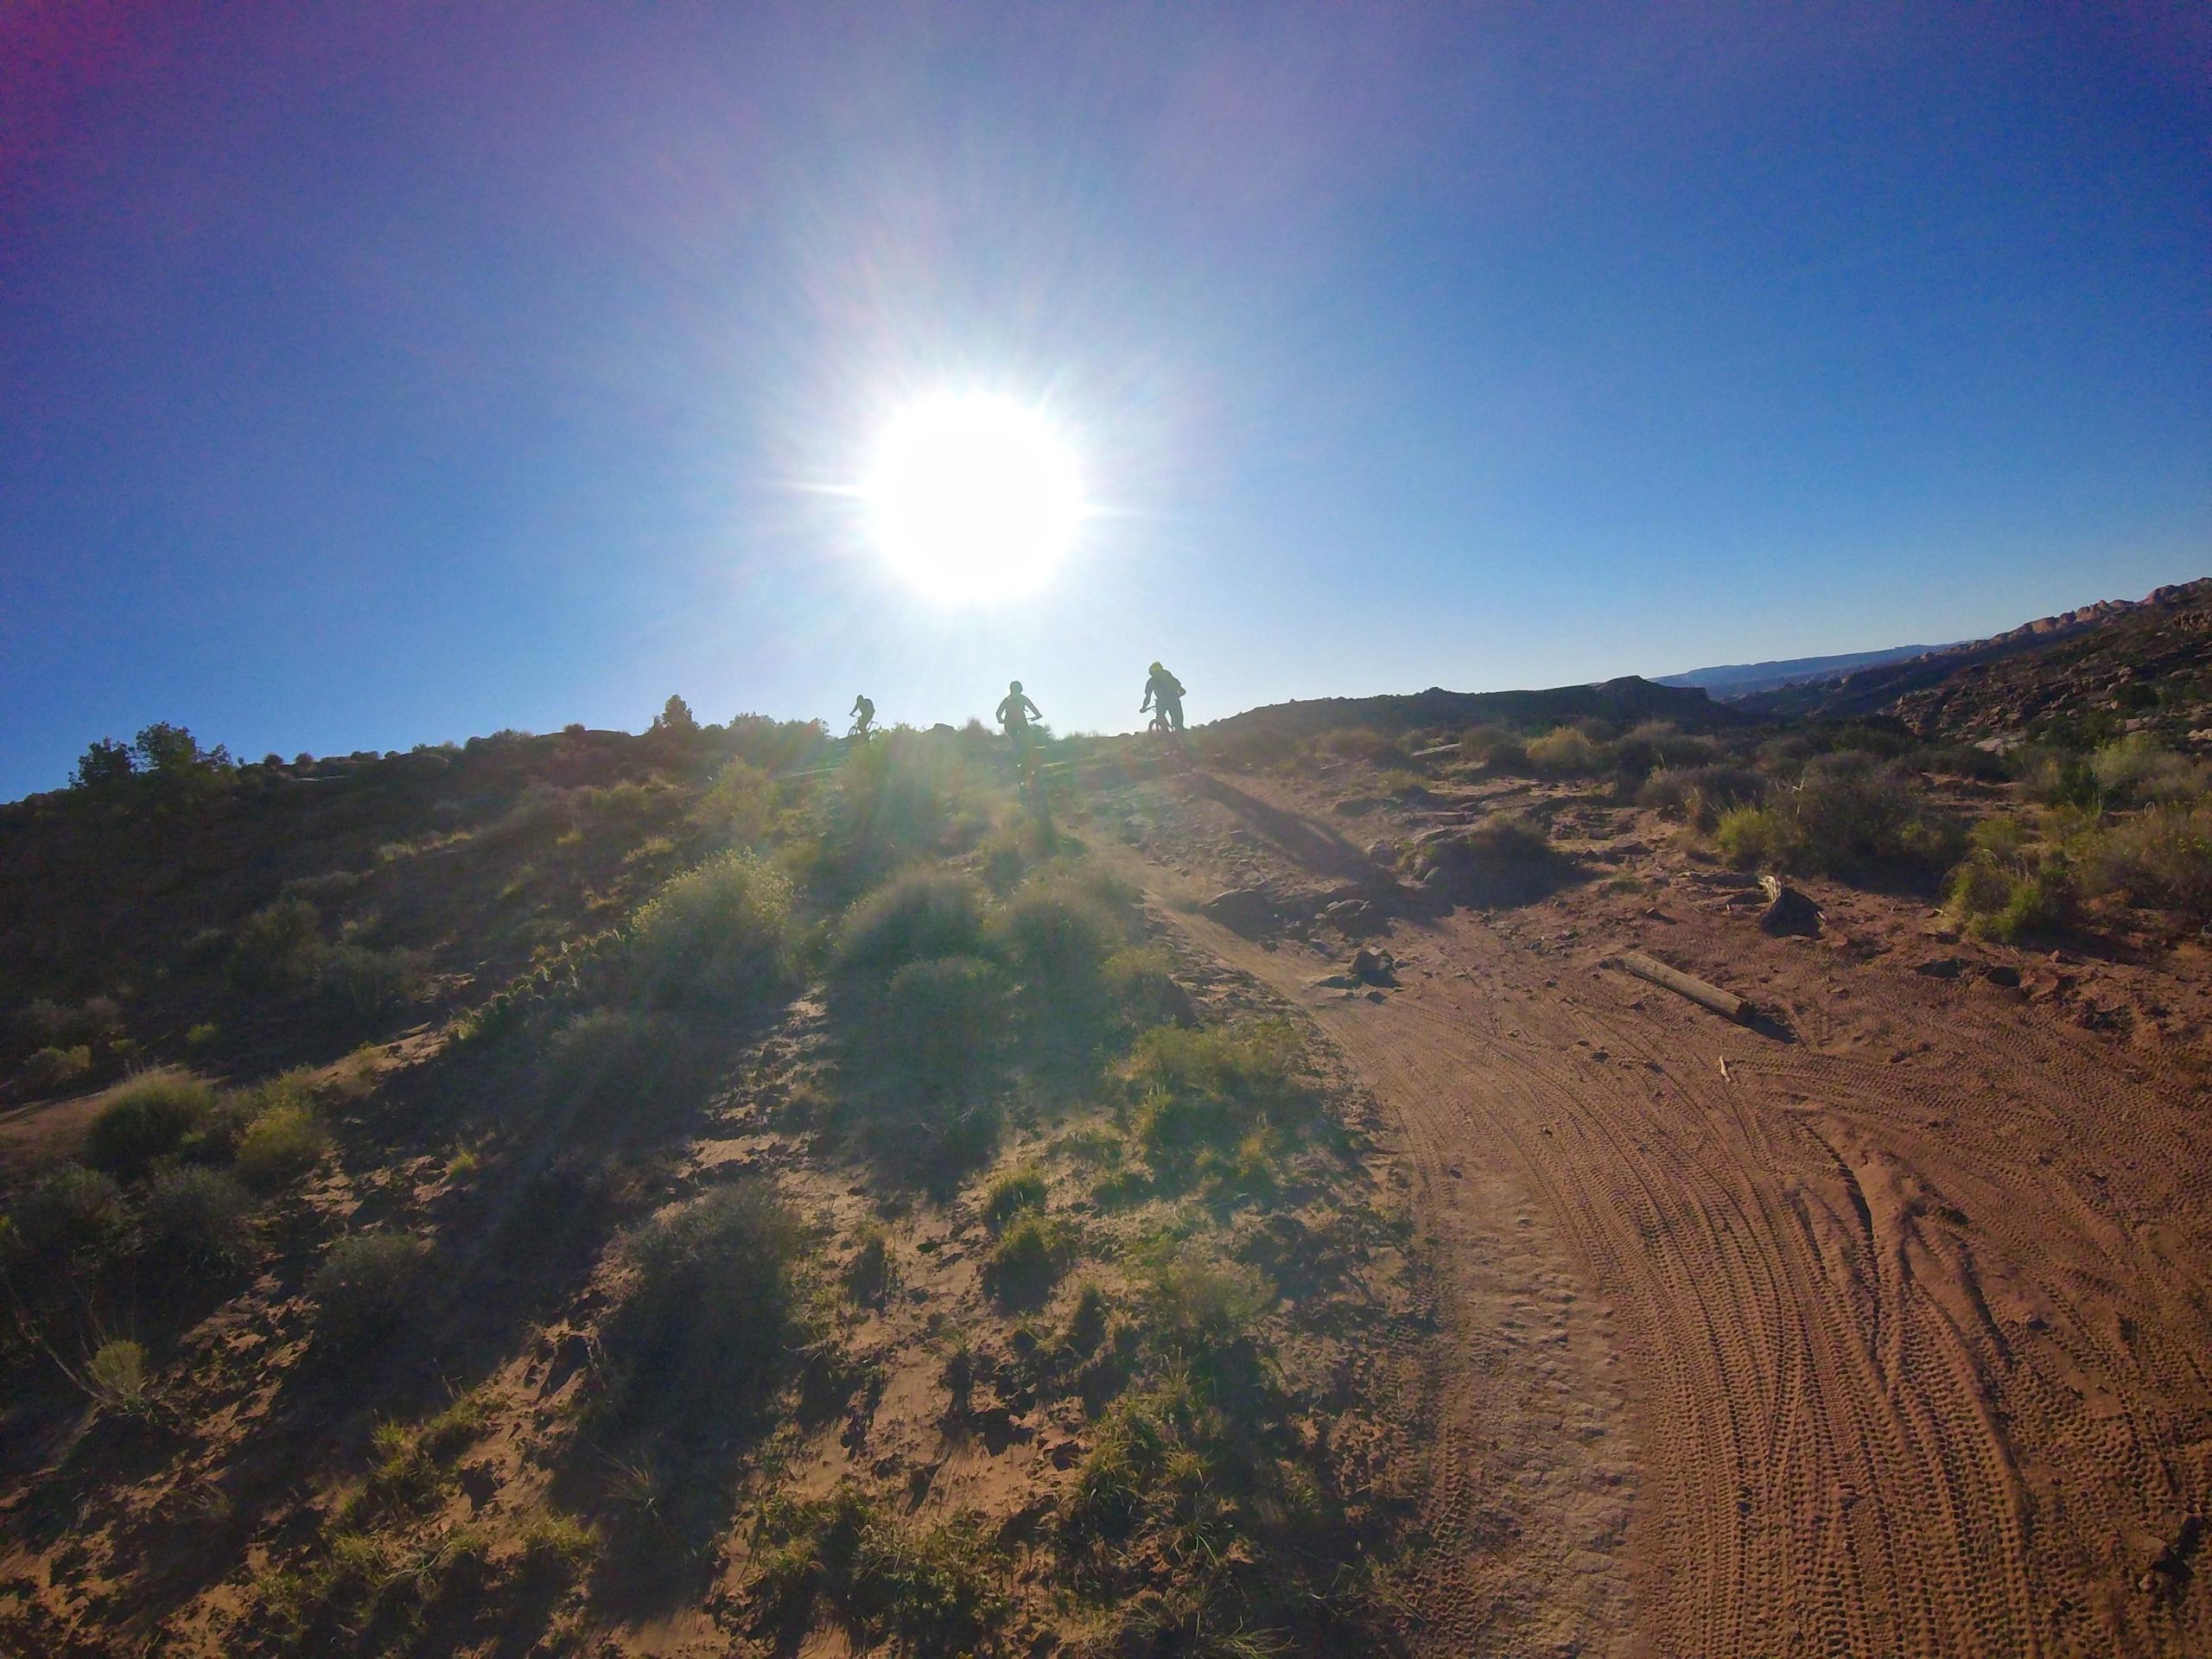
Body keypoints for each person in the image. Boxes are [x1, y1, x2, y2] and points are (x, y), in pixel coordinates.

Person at [1140, 660, 1186, 733]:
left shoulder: (1151, 681)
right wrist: (1180, 693)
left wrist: (1144, 707)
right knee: (1178, 723)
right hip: (1174, 699)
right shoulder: (1167, 675)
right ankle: (1180, 735)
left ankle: (1166, 735)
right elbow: (1179, 686)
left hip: (1161, 702)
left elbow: (1147, 697)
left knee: (1160, 718)